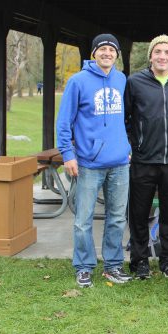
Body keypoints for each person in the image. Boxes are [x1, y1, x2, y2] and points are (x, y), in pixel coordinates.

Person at [56, 33, 132, 288]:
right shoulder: (77, 82)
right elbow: (64, 122)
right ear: (93, 53)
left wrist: (127, 146)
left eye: (112, 49)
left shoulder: (121, 79)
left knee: (117, 217)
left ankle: (112, 265)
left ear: (117, 54)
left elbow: (127, 118)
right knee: (83, 219)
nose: (107, 53)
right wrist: (68, 154)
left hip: (120, 163)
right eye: (102, 49)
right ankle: (84, 266)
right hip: (88, 162)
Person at [125, 35, 168, 280]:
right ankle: (139, 260)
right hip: (143, 159)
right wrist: (133, 145)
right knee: (139, 213)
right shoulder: (135, 82)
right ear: (150, 55)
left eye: (167, 52)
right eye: (158, 52)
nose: (163, 56)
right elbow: (126, 118)